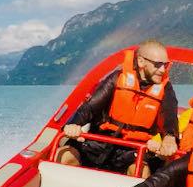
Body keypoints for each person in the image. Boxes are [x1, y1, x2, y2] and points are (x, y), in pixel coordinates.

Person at [57, 39, 179, 176]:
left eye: (166, 65)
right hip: (99, 141)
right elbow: (89, 108)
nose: (162, 70)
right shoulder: (117, 78)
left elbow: (169, 117)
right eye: (157, 64)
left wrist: (170, 137)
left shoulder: (166, 89)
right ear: (141, 62)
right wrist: (73, 125)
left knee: (141, 172)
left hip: (132, 151)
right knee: (65, 156)